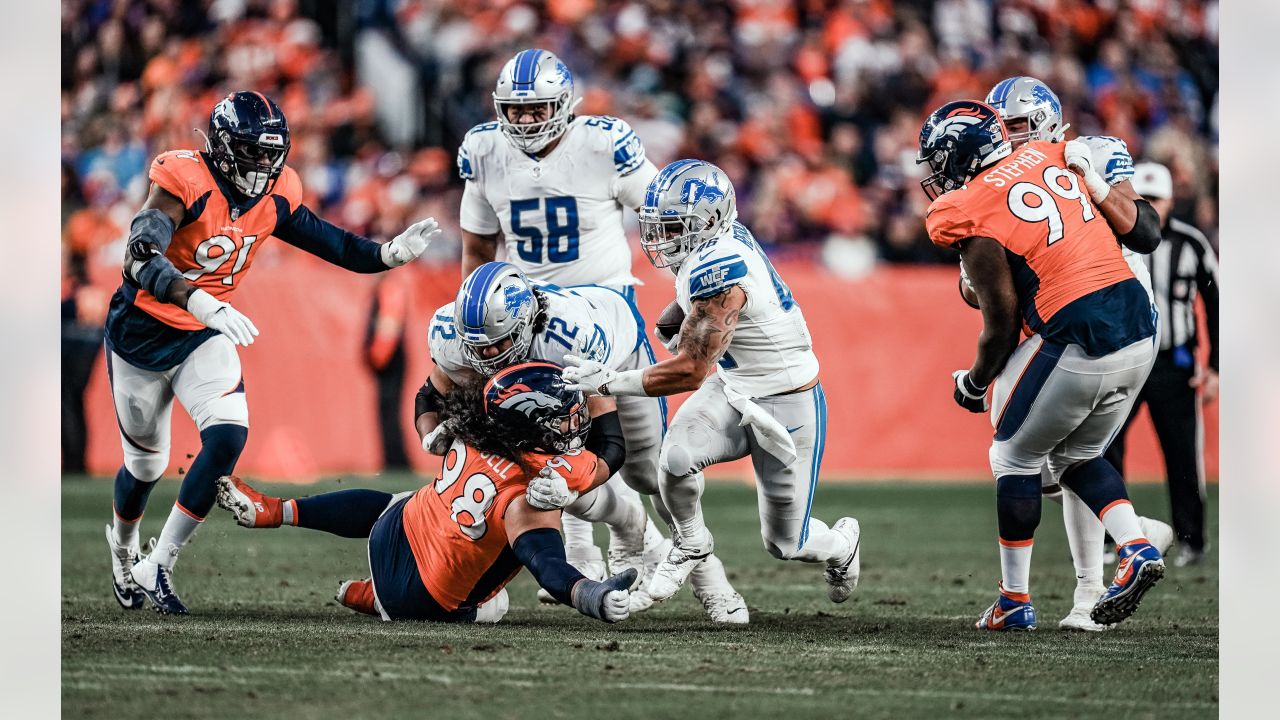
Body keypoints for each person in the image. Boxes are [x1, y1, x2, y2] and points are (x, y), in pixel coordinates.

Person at [104, 91, 441, 614]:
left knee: (227, 436)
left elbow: (328, 241)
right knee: (145, 467)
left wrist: (386, 254)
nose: (263, 166)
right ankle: (125, 550)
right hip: (142, 336)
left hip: (203, 335)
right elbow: (140, 253)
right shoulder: (182, 179)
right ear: (219, 147)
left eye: (270, 154)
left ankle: (159, 564)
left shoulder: (277, 193)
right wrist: (196, 298)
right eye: (251, 153)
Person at [453, 49, 748, 619]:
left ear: (564, 105)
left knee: (645, 466)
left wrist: (687, 294)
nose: (525, 123)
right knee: (543, 458)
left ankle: (707, 577)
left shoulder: (602, 143)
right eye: (514, 111)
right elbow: (477, 251)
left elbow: (665, 215)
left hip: (605, 321)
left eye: (538, 108)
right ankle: (587, 561)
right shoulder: (484, 149)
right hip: (524, 325)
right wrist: (479, 316)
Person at [562, 159, 862, 610]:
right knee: (675, 458)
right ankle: (692, 541)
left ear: (708, 221)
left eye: (673, 226)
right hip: (734, 386)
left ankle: (841, 546)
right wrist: (680, 317)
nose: (661, 238)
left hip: (787, 399)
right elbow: (701, 309)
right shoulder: (718, 243)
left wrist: (608, 381)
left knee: (786, 543)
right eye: (658, 226)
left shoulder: (720, 267)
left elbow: (689, 371)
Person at [918, 99, 1164, 631]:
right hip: (1140, 325)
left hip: (1079, 328)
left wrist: (975, 382)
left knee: (1012, 455)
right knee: (1077, 453)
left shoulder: (965, 207)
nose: (935, 176)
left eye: (938, 162)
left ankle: (1013, 600)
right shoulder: (1055, 154)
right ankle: (1137, 544)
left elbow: (1001, 324)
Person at [416, 262, 747, 621]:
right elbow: (429, 396)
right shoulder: (450, 335)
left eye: (499, 344)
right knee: (543, 475)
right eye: (477, 347)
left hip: (614, 361)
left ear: (525, 323)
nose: (487, 357)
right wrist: (430, 435)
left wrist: (573, 484)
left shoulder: (570, 340)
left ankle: (709, 577)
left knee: (648, 476)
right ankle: (633, 534)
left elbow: (609, 445)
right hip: (550, 381)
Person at [216, 362, 635, 624]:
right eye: (562, 418)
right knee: (498, 603)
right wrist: (591, 595)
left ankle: (278, 510)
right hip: (426, 602)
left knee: (399, 503)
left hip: (391, 536)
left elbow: (429, 391)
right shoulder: (543, 482)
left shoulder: (471, 427)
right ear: (533, 428)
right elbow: (547, 564)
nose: (572, 422)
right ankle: (378, 600)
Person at [1104, 161, 1219, 567]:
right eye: (1144, 198)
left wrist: (1216, 367)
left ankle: (1192, 539)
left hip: (1174, 363)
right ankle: (1110, 537)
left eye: (1157, 198)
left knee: (1182, 454)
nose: (1151, 205)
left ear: (1171, 199)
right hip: (1125, 361)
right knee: (1105, 447)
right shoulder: (1111, 236)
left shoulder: (1191, 243)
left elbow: (1217, 304)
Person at [364, 273, 412, 472]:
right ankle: (393, 459)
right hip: (390, 361)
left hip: (390, 362)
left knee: (389, 411)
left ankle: (396, 461)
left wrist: (375, 358)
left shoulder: (390, 288)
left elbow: (388, 326)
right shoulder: (389, 287)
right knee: (388, 412)